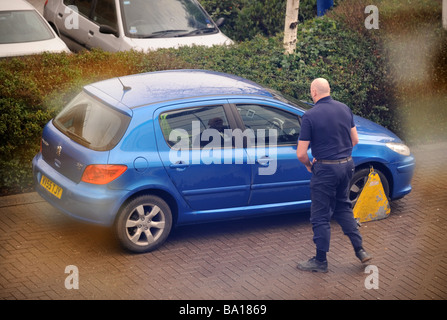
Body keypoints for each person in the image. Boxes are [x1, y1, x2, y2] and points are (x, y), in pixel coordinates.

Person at [296, 78, 372, 273]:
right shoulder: (344, 109)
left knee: (320, 215)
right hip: (346, 165)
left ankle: (320, 261)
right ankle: (360, 250)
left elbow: (301, 153)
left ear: (313, 92)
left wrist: (308, 165)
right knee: (343, 206)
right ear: (329, 90)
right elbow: (354, 139)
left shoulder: (309, 116)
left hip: (325, 169)